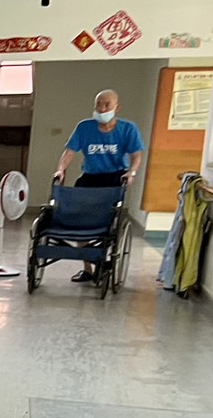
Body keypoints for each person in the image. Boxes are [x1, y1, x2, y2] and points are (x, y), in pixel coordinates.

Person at [53, 89, 145, 283]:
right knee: (80, 218)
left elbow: (136, 154)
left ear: (116, 107)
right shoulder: (85, 127)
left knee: (106, 222)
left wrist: (132, 172)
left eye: (106, 105)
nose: (102, 108)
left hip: (115, 178)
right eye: (98, 104)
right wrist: (61, 170)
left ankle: (103, 259)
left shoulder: (128, 129)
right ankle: (88, 268)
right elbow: (69, 152)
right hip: (90, 176)